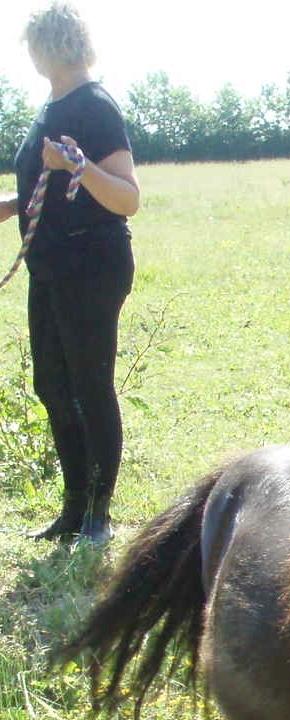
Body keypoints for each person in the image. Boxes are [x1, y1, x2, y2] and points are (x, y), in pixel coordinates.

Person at [0, 2, 139, 545]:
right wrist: (13, 203)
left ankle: (98, 518)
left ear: (50, 47)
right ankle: (73, 507)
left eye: (32, 46)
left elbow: (128, 198)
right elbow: (51, 185)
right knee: (53, 385)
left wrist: (79, 166)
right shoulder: (51, 106)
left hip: (91, 265)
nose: (28, 56)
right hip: (52, 266)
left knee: (88, 386)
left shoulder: (95, 106)